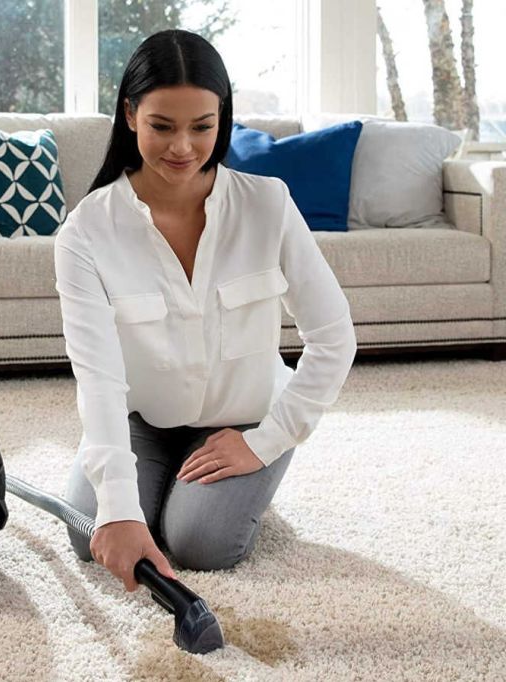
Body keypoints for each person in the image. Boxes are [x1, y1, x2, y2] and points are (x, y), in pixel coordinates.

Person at [54, 29, 357, 593]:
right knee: (91, 532)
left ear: (223, 118)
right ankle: (137, 477)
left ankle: (218, 490)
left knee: (201, 543)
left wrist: (265, 440)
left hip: (243, 416)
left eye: (202, 127)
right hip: (142, 419)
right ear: (129, 115)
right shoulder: (86, 233)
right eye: (162, 126)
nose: (183, 148)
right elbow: (98, 378)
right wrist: (118, 507)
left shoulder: (267, 205)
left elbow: (335, 337)